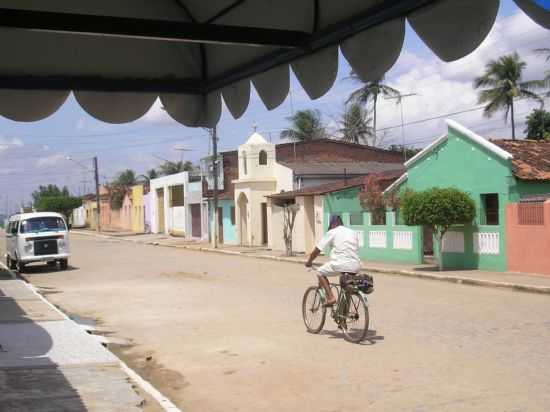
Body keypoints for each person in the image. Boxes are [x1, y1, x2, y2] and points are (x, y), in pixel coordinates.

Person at [305, 215, 361, 306]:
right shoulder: (352, 232)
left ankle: (331, 297)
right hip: (356, 265)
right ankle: (344, 315)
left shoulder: (333, 232)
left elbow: (318, 250)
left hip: (340, 264)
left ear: (332, 224)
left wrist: (309, 261)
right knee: (346, 286)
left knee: (320, 272)